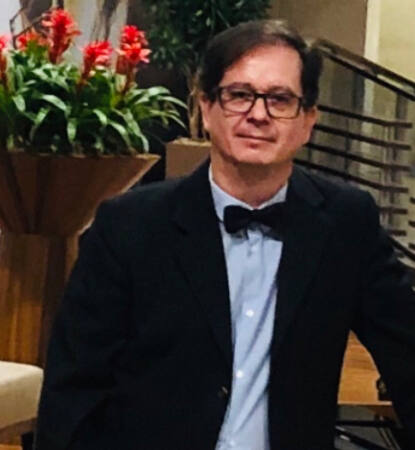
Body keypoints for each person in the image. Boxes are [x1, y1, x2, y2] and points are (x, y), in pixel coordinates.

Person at [35, 20, 415, 450]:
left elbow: (407, 352)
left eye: (280, 99)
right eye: (239, 95)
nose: (258, 114)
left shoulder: (347, 223)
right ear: (206, 108)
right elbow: (72, 392)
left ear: (308, 120)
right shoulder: (129, 226)